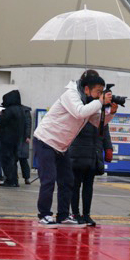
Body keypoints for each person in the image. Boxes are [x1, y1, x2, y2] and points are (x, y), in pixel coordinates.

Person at [33, 70, 117, 225]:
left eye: (102, 92)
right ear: (86, 89)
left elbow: (98, 123)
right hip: (46, 140)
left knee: (67, 180)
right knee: (49, 179)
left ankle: (63, 216)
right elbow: (79, 113)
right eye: (98, 92)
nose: (100, 95)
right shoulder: (70, 95)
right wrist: (100, 101)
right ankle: (44, 214)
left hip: (62, 146)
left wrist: (111, 113)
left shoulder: (87, 101)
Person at [69, 119, 113, 226]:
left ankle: (86, 214)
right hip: (78, 155)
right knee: (76, 186)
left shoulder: (100, 112)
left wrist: (108, 148)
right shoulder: (80, 109)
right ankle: (75, 214)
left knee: (88, 187)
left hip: (93, 155)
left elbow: (105, 131)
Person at [0, 90, 25, 187]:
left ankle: (9, 180)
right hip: (17, 138)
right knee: (13, 159)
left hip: (7, 138)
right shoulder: (21, 110)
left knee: (6, 159)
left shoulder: (10, 110)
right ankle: (14, 180)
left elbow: (3, 120)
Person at [18, 103, 33, 184]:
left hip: (22, 138)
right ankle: (26, 178)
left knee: (22, 159)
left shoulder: (25, 111)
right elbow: (28, 124)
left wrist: (27, 136)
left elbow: (28, 124)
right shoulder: (26, 110)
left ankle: (26, 177)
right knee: (22, 159)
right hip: (22, 138)